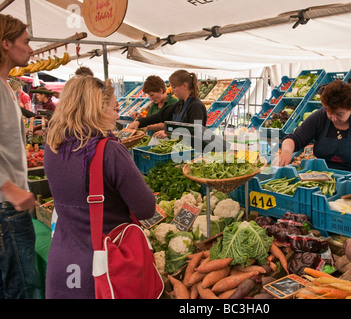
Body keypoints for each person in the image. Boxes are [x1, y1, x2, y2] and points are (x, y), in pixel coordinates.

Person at [43, 75, 156, 299]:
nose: (117, 114)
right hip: (100, 268)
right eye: (114, 108)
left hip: (62, 261)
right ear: (97, 109)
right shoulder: (109, 150)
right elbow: (145, 208)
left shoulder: (53, 145)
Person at [0, 13, 41, 299]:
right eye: (25, 42)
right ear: (5, 44)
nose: (31, 49)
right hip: (6, 211)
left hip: (10, 208)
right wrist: (10, 189)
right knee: (23, 289)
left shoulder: (6, 87)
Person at [277, 79, 351, 172]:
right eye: (329, 112)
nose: (333, 118)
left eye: (339, 114)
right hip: (321, 178)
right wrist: (286, 152)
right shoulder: (320, 117)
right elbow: (294, 139)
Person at [127, 70, 207, 139]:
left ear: (184, 85)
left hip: (193, 153)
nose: (172, 91)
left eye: (174, 87)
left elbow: (196, 132)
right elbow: (158, 116)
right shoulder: (179, 105)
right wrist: (138, 122)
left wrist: (170, 133)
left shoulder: (196, 106)